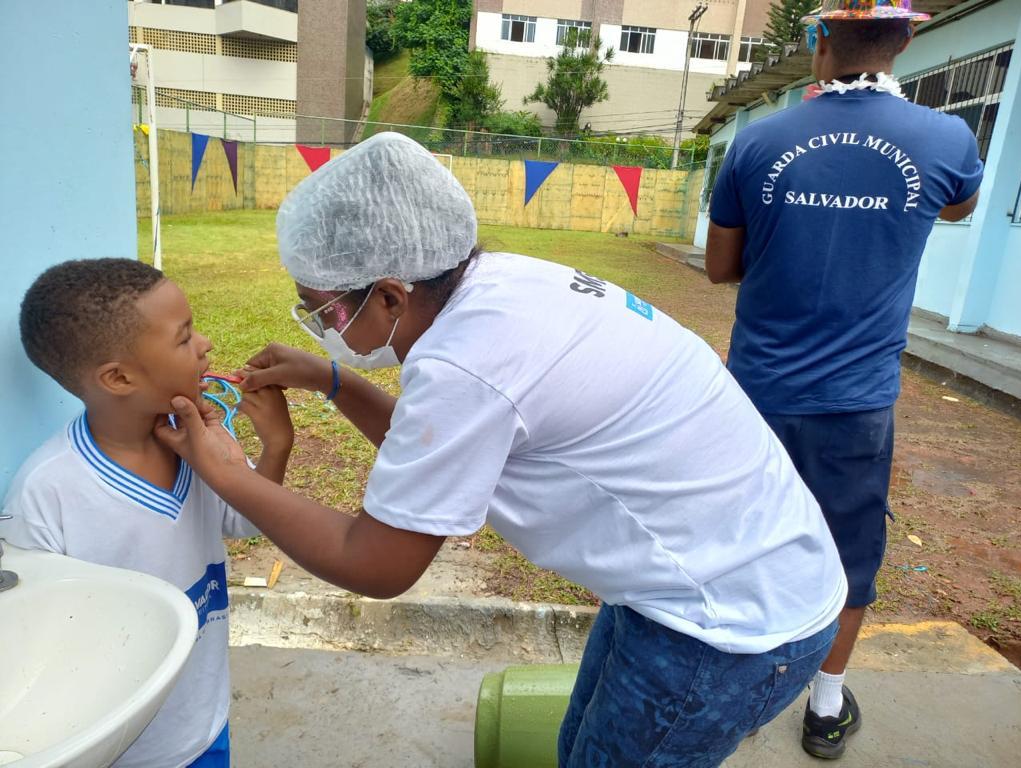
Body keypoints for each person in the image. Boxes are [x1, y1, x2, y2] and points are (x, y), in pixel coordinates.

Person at [153, 131, 848, 767]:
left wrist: (228, 474)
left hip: (730, 625)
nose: (321, 325)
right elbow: (445, 450)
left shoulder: (466, 362)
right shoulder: (499, 284)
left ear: (391, 297)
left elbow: (379, 562)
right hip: (724, 576)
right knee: (582, 750)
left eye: (327, 309)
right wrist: (332, 379)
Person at [704, 0, 984, 759]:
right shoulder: (945, 137)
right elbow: (960, 203)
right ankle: (825, 704)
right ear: (907, 39)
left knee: (740, 537)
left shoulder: (758, 140)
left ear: (818, 39)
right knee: (847, 554)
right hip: (856, 405)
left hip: (757, 389)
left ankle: (723, 681)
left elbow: (721, 267)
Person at [0, 259, 295, 768]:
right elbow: (33, 644)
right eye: (183, 338)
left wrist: (276, 444)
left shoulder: (199, 441)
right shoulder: (47, 492)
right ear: (118, 377)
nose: (205, 344)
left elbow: (247, 520)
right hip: (121, 748)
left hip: (203, 722)